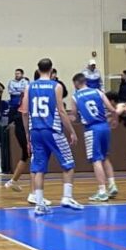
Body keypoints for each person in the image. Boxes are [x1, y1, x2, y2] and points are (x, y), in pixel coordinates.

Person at [22, 58, 83, 216]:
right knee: (68, 164)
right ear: (51, 70)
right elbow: (61, 111)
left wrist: (27, 133)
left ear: (38, 69)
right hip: (52, 129)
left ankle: (39, 204)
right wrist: (71, 131)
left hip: (35, 130)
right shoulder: (56, 86)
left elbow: (24, 112)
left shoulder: (29, 86)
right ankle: (67, 197)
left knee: (39, 168)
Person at [73, 72, 118, 203]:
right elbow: (112, 109)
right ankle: (112, 184)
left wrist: (64, 118)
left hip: (92, 129)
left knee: (96, 159)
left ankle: (102, 191)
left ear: (76, 83)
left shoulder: (75, 96)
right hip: (104, 126)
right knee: (105, 157)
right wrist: (114, 120)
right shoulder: (98, 91)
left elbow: (74, 116)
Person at [5, 107, 51, 206]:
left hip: (24, 127)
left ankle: (13, 181)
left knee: (26, 155)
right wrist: (27, 134)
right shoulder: (28, 100)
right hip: (24, 128)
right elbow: (24, 113)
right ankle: (34, 194)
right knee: (34, 156)